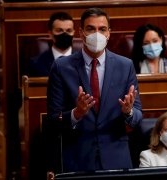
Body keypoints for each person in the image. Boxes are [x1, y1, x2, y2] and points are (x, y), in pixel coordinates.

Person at [46, 7, 143, 175]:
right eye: (91, 28)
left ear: (109, 33)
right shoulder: (62, 67)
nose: (96, 34)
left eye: (102, 29)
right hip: (77, 159)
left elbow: (138, 115)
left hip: (116, 158)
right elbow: (54, 119)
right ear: (81, 32)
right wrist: (76, 113)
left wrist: (128, 113)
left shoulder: (125, 66)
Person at [28, 11, 75, 77]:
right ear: (50, 33)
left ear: (73, 32)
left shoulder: (84, 61)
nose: (64, 34)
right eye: (59, 30)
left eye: (69, 31)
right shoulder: (36, 63)